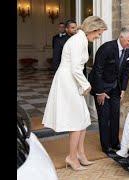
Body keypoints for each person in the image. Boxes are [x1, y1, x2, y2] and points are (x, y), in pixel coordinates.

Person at [42, 16, 107, 171]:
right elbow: (75, 69)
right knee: (77, 121)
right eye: (99, 33)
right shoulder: (78, 41)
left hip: (71, 80)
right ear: (92, 29)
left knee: (83, 119)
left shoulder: (81, 39)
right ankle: (71, 157)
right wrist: (86, 85)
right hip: (68, 81)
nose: (99, 36)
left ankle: (80, 154)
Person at [88, 26, 129, 157]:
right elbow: (97, 71)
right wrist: (99, 91)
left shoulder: (128, 50)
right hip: (101, 87)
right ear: (121, 37)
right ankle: (106, 146)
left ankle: (115, 142)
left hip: (116, 88)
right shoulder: (107, 48)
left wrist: (123, 89)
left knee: (115, 116)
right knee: (104, 117)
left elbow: (126, 71)